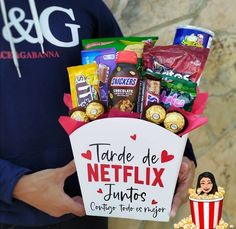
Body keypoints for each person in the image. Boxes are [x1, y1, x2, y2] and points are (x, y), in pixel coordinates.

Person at [0, 0, 196, 228]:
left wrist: (179, 153)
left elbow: (130, 87)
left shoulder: (86, 5)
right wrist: (14, 183)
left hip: (87, 208)